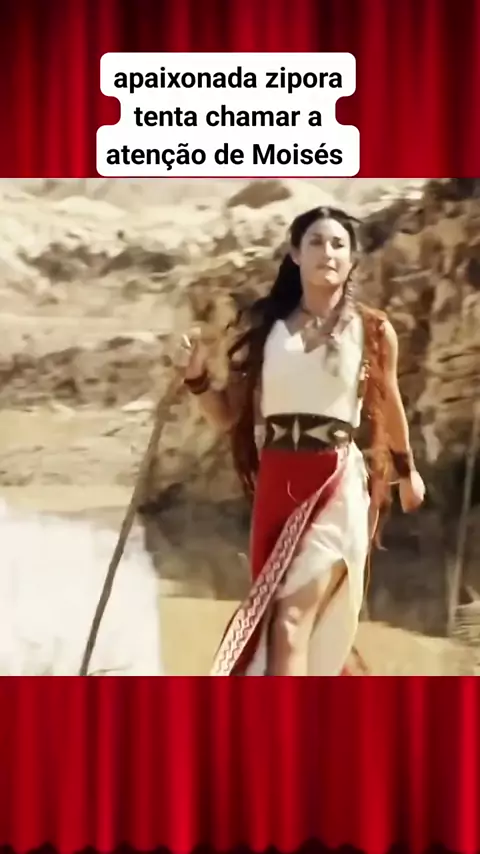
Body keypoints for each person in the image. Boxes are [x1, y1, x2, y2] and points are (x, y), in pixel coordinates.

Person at [177, 206, 426, 676]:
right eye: (315, 242)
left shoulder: (373, 330)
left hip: (334, 486)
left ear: (352, 259)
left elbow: (390, 403)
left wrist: (407, 470)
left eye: (338, 244)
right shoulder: (267, 328)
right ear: (295, 254)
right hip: (276, 488)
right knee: (286, 627)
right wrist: (197, 381)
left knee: (291, 623)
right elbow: (228, 416)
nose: (327, 252)